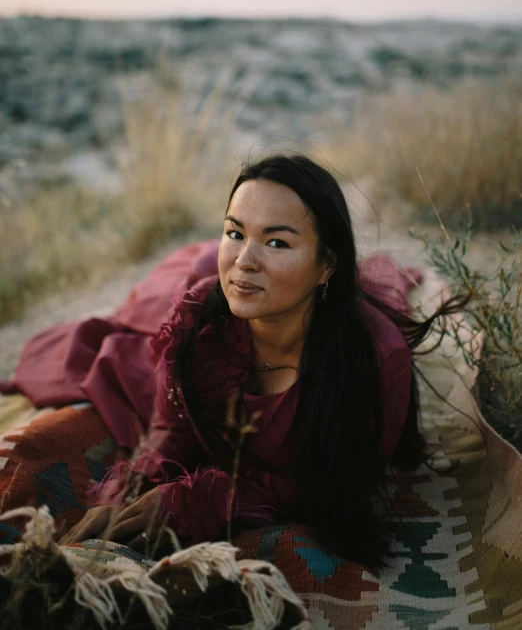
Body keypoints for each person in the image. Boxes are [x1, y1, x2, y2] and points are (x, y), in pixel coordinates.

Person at [62, 154, 460, 567]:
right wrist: (126, 495)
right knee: (146, 305)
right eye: (234, 233)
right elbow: (171, 425)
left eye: (277, 242)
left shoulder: (374, 363)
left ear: (326, 266)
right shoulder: (199, 320)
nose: (243, 261)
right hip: (213, 296)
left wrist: (196, 502)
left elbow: (338, 487)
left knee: (384, 284)